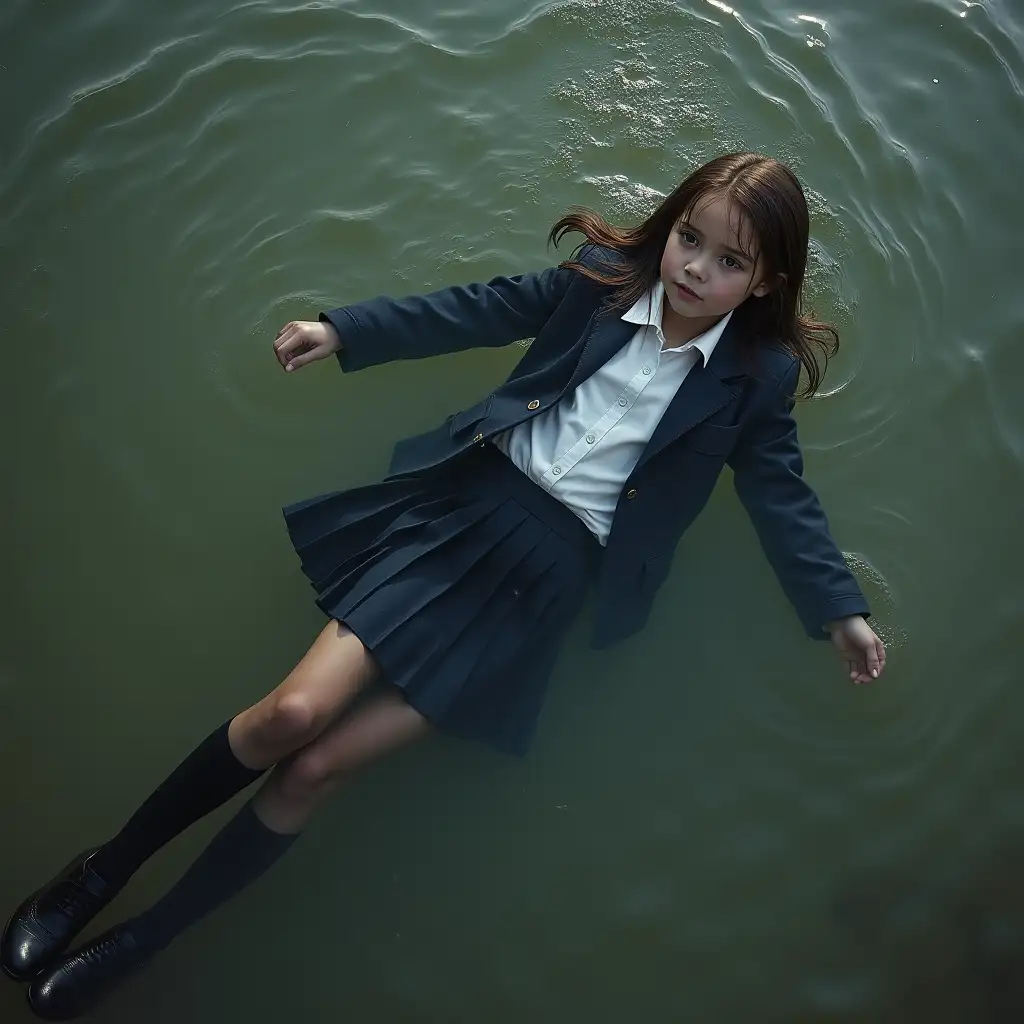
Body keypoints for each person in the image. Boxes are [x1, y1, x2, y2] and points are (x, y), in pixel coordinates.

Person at [2, 151, 886, 1020]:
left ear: (766, 282)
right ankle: (103, 870)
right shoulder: (602, 281)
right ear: (672, 225)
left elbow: (779, 491)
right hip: (463, 516)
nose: (695, 267)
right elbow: (477, 310)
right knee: (290, 717)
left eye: (730, 261)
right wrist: (343, 329)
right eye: (690, 238)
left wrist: (838, 609)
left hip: (546, 586)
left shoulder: (755, 381)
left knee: (315, 769)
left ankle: (148, 938)